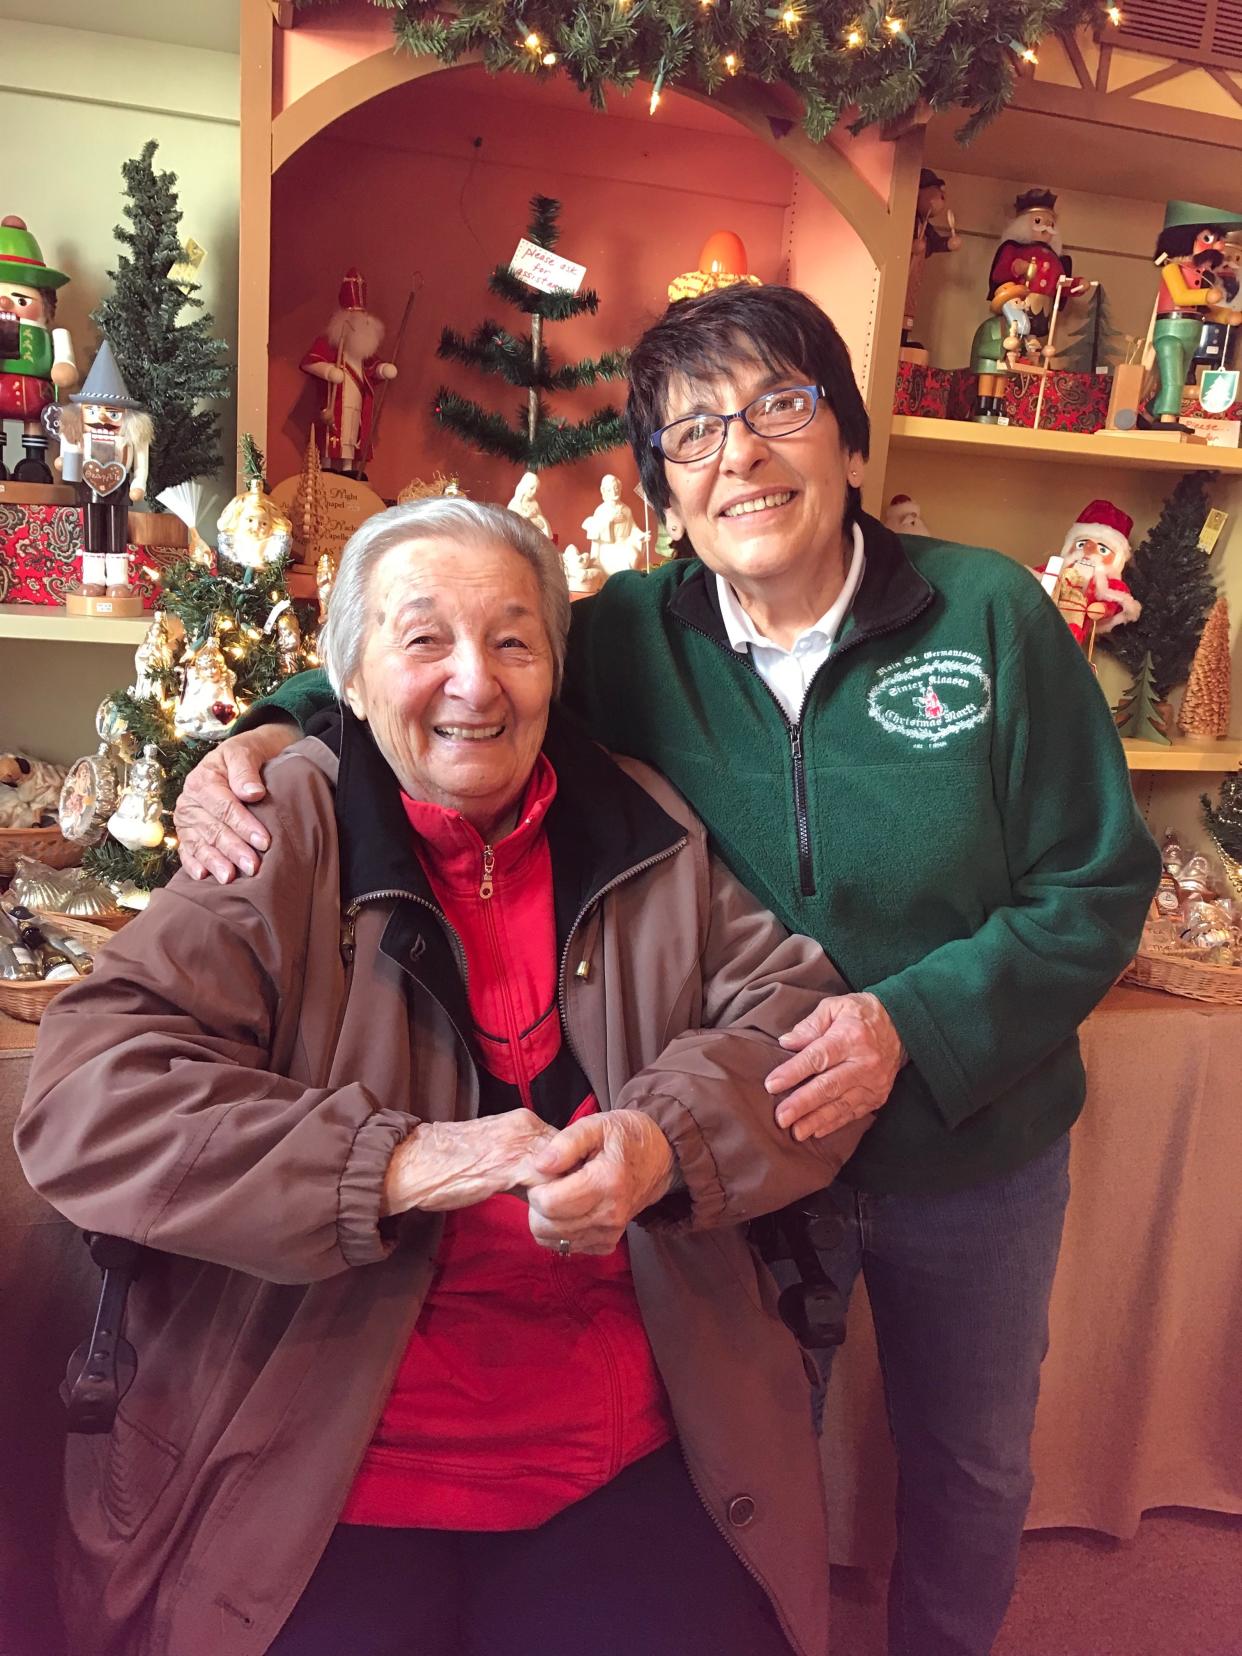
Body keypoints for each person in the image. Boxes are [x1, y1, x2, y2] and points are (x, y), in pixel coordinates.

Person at [174, 285, 1161, 1656]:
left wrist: (905, 1024)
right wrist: (265, 734)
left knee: (971, 1467)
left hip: (969, 1142)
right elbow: (444, 671)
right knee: (763, 1460)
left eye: (778, 406)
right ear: (663, 491)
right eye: (691, 433)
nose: (739, 454)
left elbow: (1095, 885)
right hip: (752, 1146)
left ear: (849, 442)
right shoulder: (631, 634)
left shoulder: (987, 614)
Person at [18, 497, 865, 1656]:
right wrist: (395, 1161)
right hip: (323, 1440)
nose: (476, 681)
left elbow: (799, 1022)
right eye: (424, 641)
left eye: (515, 641)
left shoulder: (645, 828)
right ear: (352, 683)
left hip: (619, 1430)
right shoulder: (279, 831)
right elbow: (88, 1094)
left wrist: (662, 1141)